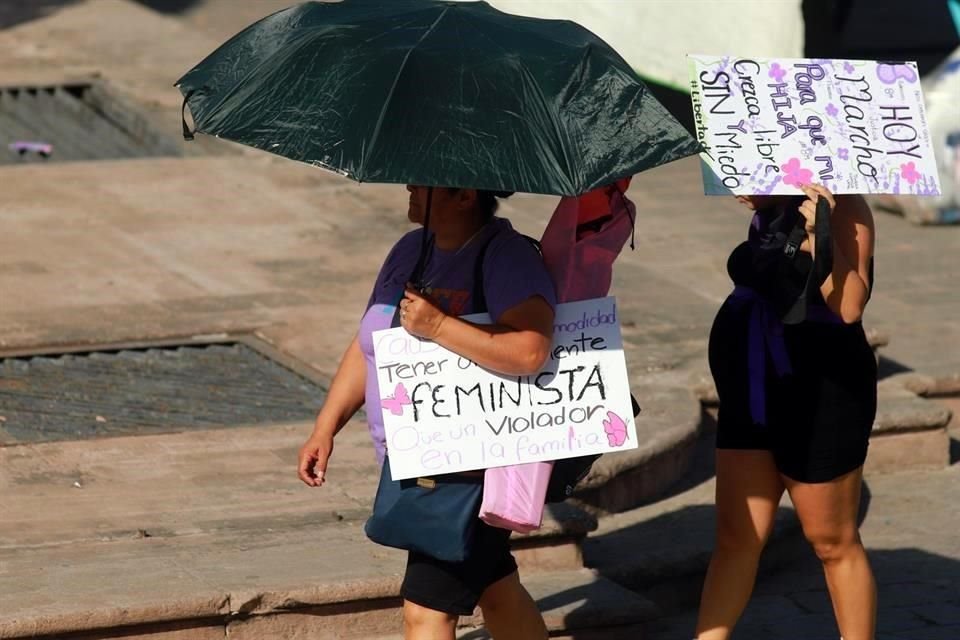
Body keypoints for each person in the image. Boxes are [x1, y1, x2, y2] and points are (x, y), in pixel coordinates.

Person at [298, 185, 556, 640]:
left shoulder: (507, 257)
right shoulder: (409, 249)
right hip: (415, 464)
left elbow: (531, 349)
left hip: (471, 472)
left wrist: (438, 326)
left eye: (424, 179)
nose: (410, 186)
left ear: (464, 195)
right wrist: (326, 426)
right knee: (495, 587)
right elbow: (371, 343)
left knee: (426, 612)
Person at [696, 184, 878, 640]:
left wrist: (823, 235)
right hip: (751, 390)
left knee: (832, 541)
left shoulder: (846, 207)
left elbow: (849, 305)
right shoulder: (772, 206)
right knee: (737, 537)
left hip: (821, 393)